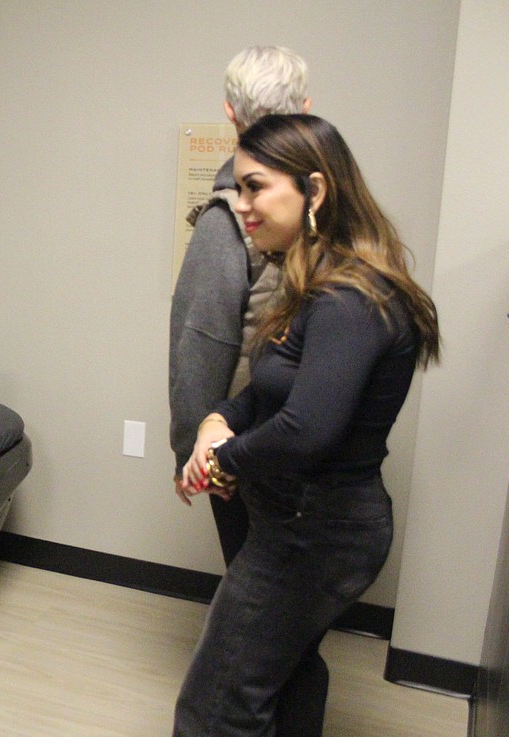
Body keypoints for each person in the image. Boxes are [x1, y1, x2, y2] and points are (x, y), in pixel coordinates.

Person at [167, 114, 441, 737]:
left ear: (314, 191)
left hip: (312, 533)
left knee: (221, 701)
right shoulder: (311, 283)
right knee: (278, 679)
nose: (242, 204)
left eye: (256, 187)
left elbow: (306, 429)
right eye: (239, 188)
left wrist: (220, 461)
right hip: (304, 524)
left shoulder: (350, 300)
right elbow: (267, 392)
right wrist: (216, 422)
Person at [169, 45, 311, 565]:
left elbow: (201, 344)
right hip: (311, 445)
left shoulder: (228, 219)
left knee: (258, 595)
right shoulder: (331, 210)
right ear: (305, 107)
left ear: (230, 112)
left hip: (247, 448)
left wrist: (193, 451)